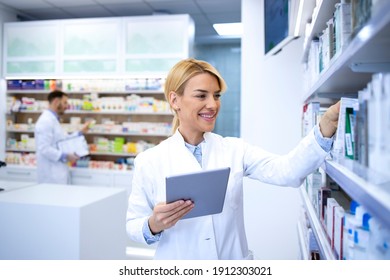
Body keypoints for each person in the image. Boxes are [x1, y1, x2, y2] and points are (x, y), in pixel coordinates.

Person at [126, 58, 340, 260]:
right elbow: (134, 225)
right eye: (202, 96)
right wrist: (154, 224)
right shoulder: (149, 160)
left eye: (216, 96)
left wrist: (326, 125)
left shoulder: (235, 149)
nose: (213, 104)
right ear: (175, 100)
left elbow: (287, 171)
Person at [35, 90, 90, 184]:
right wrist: (65, 156)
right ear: (56, 101)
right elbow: (44, 148)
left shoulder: (54, 120)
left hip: (58, 172)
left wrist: (80, 132)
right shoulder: (45, 121)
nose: (67, 106)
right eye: (65, 102)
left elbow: (62, 140)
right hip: (50, 175)